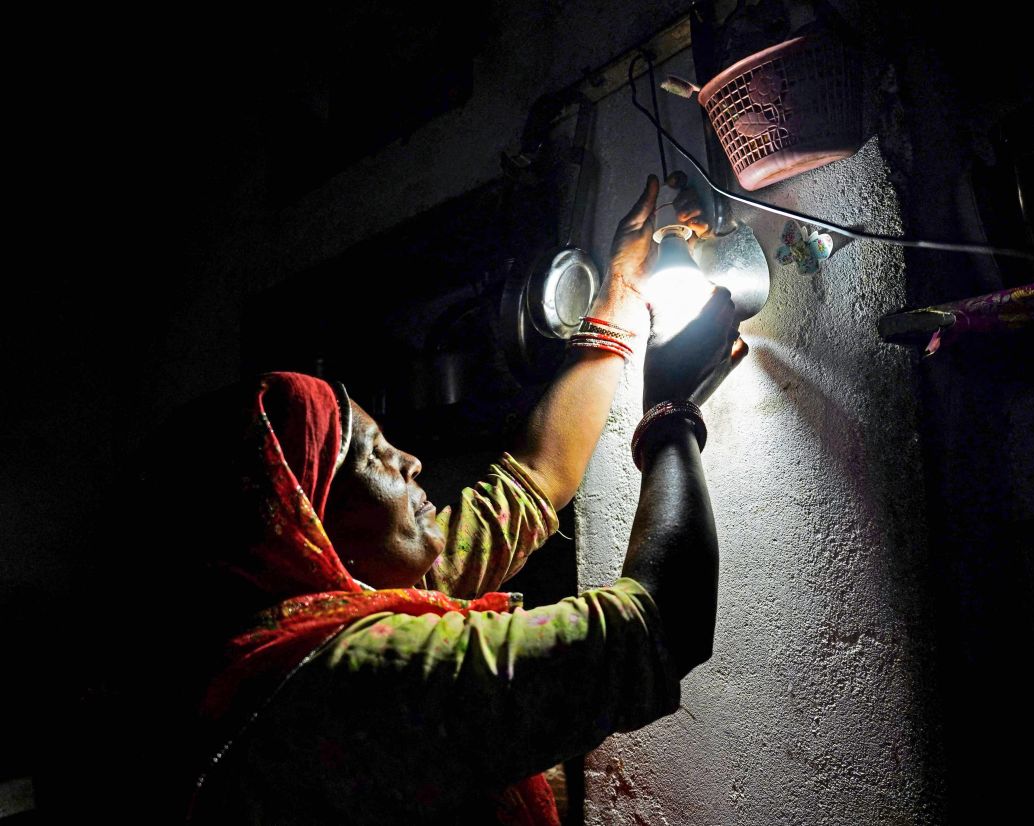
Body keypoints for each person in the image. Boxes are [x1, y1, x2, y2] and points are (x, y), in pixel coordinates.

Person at [40, 176, 746, 825]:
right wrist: (671, 416)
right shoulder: (345, 681)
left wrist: (619, 301)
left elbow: (536, 479)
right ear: (310, 522)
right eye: (376, 455)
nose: (410, 461)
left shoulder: (316, 613)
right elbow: (661, 624)